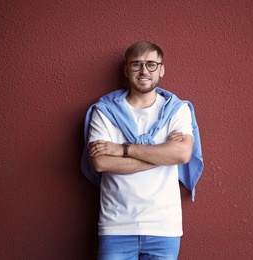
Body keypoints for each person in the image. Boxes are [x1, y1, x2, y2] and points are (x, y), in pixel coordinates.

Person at [81, 41, 203, 260]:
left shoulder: (177, 110)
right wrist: (163, 155)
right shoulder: (104, 111)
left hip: (164, 227)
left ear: (162, 69)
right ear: (127, 70)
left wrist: (123, 149)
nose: (144, 70)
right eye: (136, 64)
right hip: (116, 226)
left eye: (151, 64)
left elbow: (182, 155)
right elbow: (101, 163)